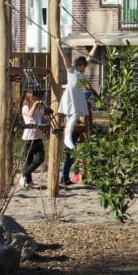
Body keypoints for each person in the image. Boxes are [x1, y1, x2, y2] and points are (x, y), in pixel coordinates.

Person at [58, 41, 100, 186]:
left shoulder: (81, 74)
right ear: (78, 65)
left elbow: (88, 57)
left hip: (77, 98)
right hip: (71, 98)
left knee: (77, 116)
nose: (84, 68)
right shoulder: (72, 71)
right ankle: (67, 137)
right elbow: (65, 59)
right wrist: (59, 45)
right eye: (83, 66)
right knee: (73, 116)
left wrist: (95, 46)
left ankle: (69, 176)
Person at [20, 90, 46, 188]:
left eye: (36, 97)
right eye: (33, 97)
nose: (35, 98)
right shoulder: (25, 107)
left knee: (40, 158)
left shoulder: (40, 108)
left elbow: (42, 119)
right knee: (28, 160)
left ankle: (24, 175)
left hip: (38, 136)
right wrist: (35, 104)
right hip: (28, 137)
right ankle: (27, 180)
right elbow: (30, 115)